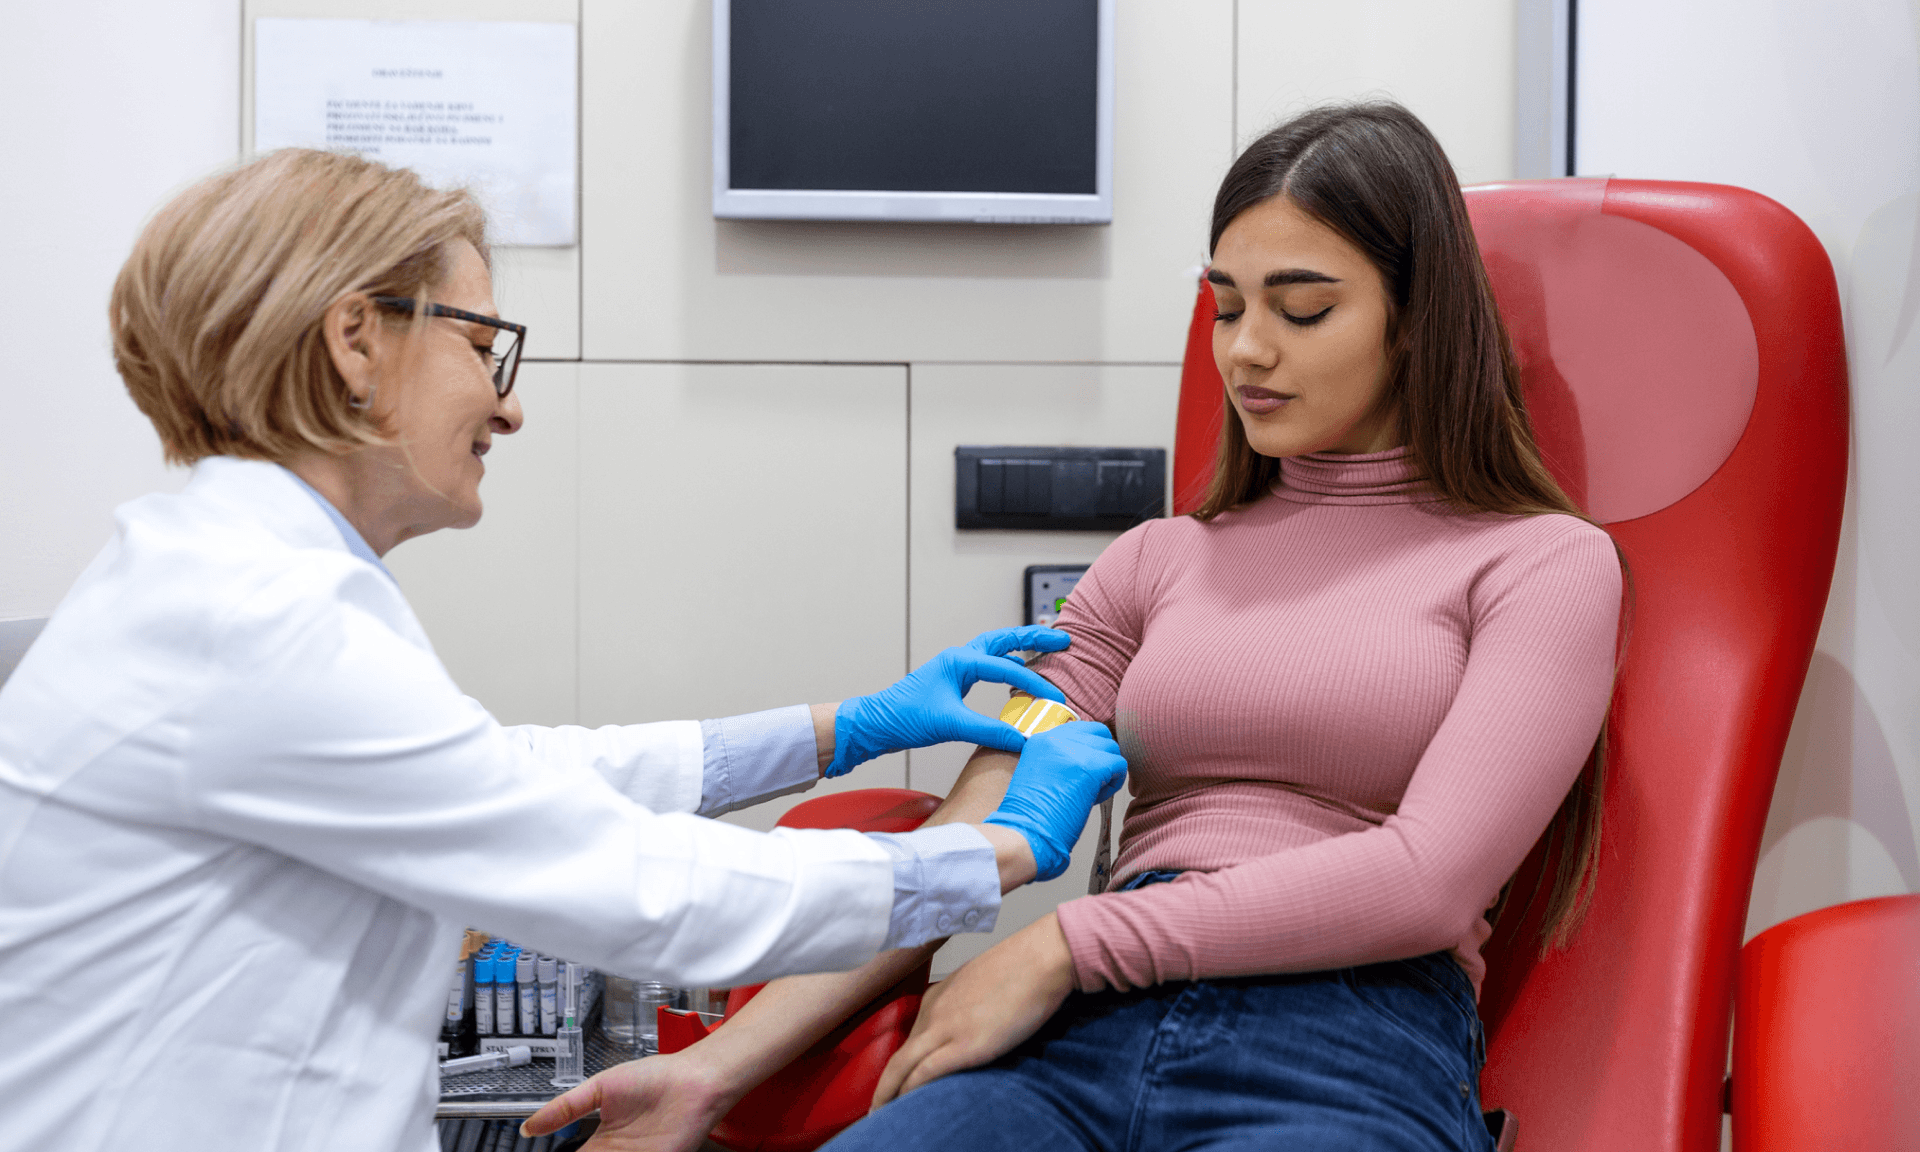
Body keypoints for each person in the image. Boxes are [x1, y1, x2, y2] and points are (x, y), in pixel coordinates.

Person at [534, 102, 1625, 1152]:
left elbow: (1425, 879)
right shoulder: (1153, 561)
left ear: (1418, 318)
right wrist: (714, 1068)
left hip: (1345, 1035)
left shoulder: (1540, 563)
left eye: (1302, 310)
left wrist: (1070, 943)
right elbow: (967, 840)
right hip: (1077, 1037)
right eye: (1227, 305)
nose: (1245, 351)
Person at [0, 149, 1127, 1152]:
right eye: (484, 345)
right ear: (356, 339)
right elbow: (631, 886)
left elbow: (510, 779)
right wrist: (997, 854)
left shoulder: (228, 581)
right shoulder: (254, 618)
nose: (511, 407)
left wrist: (841, 731)